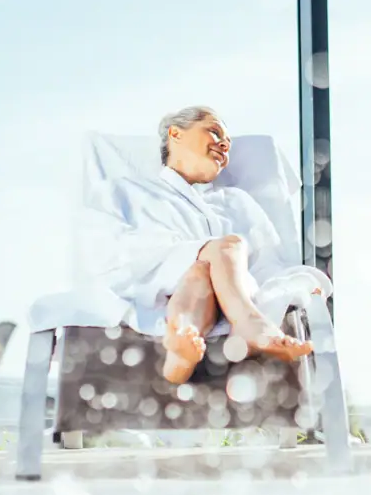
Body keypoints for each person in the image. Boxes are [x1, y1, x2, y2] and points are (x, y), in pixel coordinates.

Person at [91, 106, 326, 384]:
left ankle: (179, 357)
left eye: (227, 143)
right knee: (219, 254)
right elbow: (112, 249)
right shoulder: (125, 191)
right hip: (154, 290)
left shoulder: (237, 201)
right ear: (175, 134)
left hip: (225, 298)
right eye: (214, 132)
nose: (224, 145)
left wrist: (291, 284)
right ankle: (246, 330)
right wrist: (203, 253)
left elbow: (268, 261)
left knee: (208, 265)